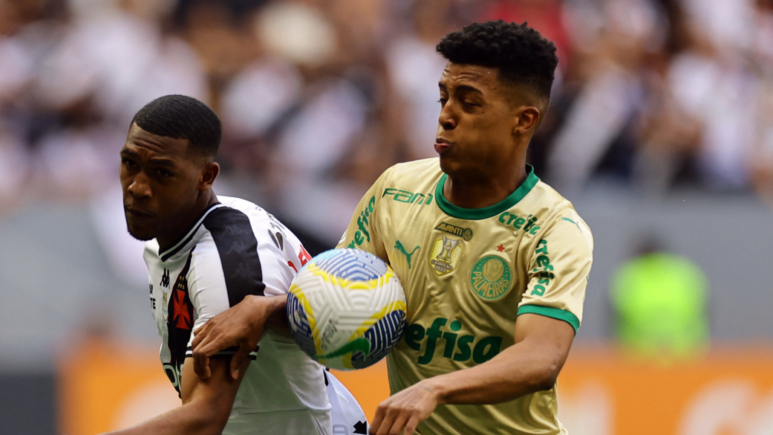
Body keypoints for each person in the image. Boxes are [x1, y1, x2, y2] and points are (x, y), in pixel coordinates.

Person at [193, 21, 593, 435]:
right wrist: (265, 309)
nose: (446, 116)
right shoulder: (395, 192)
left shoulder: (553, 229)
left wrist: (434, 389)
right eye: (443, 97)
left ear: (523, 120)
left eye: (470, 103)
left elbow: (541, 357)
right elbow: (336, 302)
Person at [109, 94, 366, 435]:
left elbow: (205, 416)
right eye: (130, 163)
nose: (138, 187)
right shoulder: (180, 229)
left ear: (206, 176)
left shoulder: (226, 262)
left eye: (162, 173)